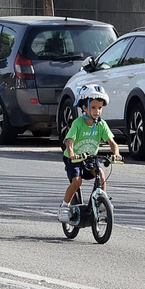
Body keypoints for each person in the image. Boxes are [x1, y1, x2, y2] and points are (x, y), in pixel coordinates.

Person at [60, 83, 121, 222]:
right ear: (84, 107)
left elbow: (112, 142)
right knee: (77, 181)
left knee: (101, 174)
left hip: (90, 159)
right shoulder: (78, 123)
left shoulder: (101, 125)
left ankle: (101, 201)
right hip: (74, 159)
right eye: (93, 107)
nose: (97, 111)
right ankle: (64, 206)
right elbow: (69, 141)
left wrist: (116, 153)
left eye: (100, 108)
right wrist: (71, 154)